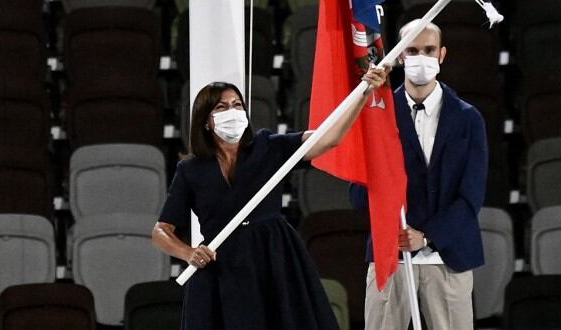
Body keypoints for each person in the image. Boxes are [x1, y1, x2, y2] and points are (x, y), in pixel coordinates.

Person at [152, 66, 388, 330]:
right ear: (206, 121)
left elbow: (328, 139)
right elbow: (161, 230)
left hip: (275, 257)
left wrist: (364, 92)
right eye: (221, 107)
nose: (233, 112)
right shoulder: (191, 170)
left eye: (237, 105)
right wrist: (188, 253)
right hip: (222, 267)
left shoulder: (267, 146)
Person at [350, 20, 488, 330]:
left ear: (442, 55)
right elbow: (358, 195)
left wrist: (425, 236)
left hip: (448, 258)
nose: (420, 57)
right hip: (390, 258)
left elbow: (471, 198)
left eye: (428, 50)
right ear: (400, 56)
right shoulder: (376, 116)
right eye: (412, 50)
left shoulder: (468, 120)